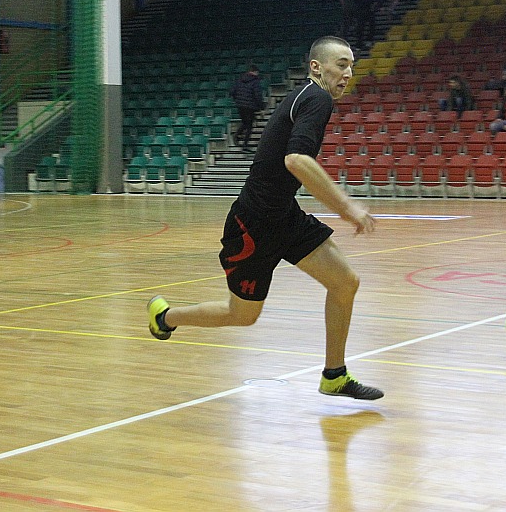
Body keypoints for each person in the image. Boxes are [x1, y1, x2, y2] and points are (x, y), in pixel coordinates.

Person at [147, 36, 383, 401]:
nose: (348, 73)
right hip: (253, 224)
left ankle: (334, 375)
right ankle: (166, 317)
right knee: (241, 315)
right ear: (316, 67)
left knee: (344, 282)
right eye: (340, 64)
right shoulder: (316, 97)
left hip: (283, 216)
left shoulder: (309, 97)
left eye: (351, 66)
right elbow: (297, 160)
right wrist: (348, 208)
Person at [230, 64, 265, 152]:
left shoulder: (240, 80)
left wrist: (238, 100)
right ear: (255, 72)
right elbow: (257, 95)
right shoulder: (255, 81)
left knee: (245, 122)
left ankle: (237, 135)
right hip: (250, 106)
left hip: (240, 105)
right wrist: (261, 107)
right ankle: (244, 144)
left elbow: (232, 91)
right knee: (249, 125)